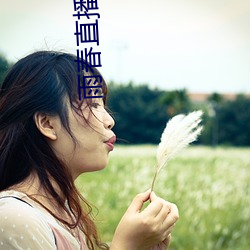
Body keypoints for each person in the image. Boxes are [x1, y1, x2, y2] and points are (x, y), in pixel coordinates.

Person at [0, 51, 179, 250]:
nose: (110, 121)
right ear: (47, 123)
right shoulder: (14, 217)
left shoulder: (63, 213)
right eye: (93, 104)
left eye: (103, 105)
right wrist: (126, 246)